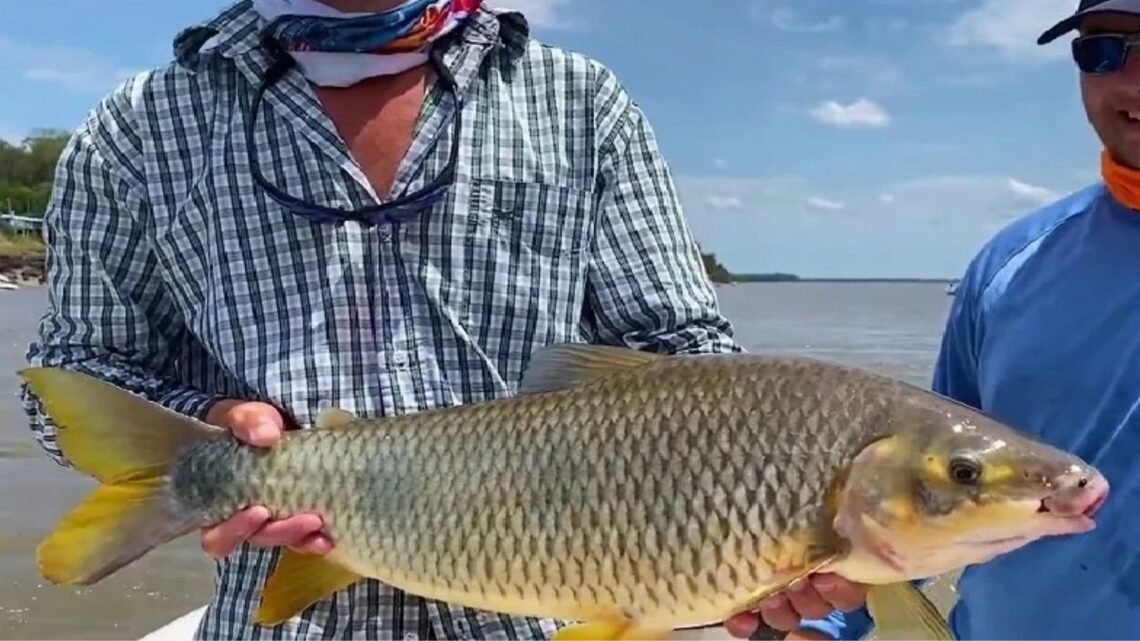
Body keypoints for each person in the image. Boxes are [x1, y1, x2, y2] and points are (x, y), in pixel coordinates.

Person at [19, 0, 743, 638]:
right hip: (289, 609)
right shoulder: (137, 129)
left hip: (558, 602)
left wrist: (755, 543)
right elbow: (74, 376)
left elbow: (685, 359)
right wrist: (212, 426)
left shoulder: (581, 101)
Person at [728, 0, 1140, 639]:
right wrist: (826, 619)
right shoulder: (1011, 267)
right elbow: (922, 488)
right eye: (1105, 50)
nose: (1132, 81)